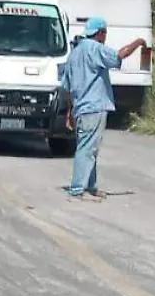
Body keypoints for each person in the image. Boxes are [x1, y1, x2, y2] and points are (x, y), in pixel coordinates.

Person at [58, 16, 149, 201]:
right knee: (87, 149)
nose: (105, 37)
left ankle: (90, 186)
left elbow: (66, 87)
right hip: (94, 106)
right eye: (105, 33)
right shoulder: (95, 49)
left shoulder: (74, 53)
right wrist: (138, 42)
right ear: (99, 33)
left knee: (90, 148)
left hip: (80, 107)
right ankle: (77, 188)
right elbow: (118, 56)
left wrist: (70, 111)